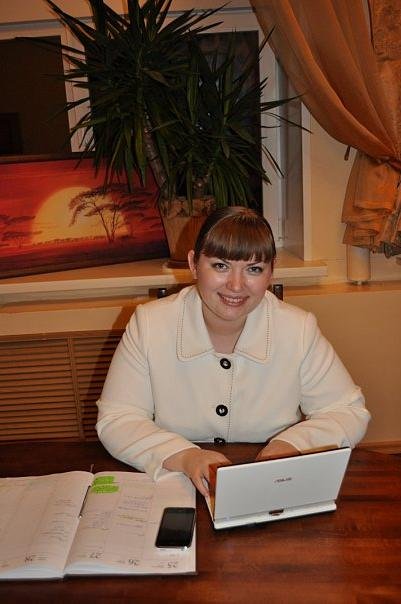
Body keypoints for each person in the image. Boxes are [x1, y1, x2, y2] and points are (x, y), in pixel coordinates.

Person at [96, 207, 370, 495]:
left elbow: (347, 411)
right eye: (220, 266)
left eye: (254, 269)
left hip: (269, 483)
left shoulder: (298, 328)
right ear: (193, 264)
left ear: (271, 272)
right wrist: (186, 457)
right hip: (176, 480)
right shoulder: (150, 324)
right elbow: (118, 418)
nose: (236, 286)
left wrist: (290, 445)